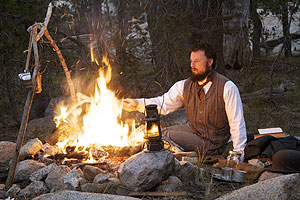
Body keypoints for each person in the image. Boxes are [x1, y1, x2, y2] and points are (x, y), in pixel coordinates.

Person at [123, 42, 247, 159]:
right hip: (193, 131)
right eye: (191, 61)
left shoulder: (227, 87)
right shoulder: (184, 85)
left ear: (210, 62)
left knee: (163, 136)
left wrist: (238, 153)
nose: (192, 65)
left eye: (197, 61)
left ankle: (170, 157)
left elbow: (237, 123)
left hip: (213, 143)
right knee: (158, 132)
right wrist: (136, 104)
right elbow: (163, 103)